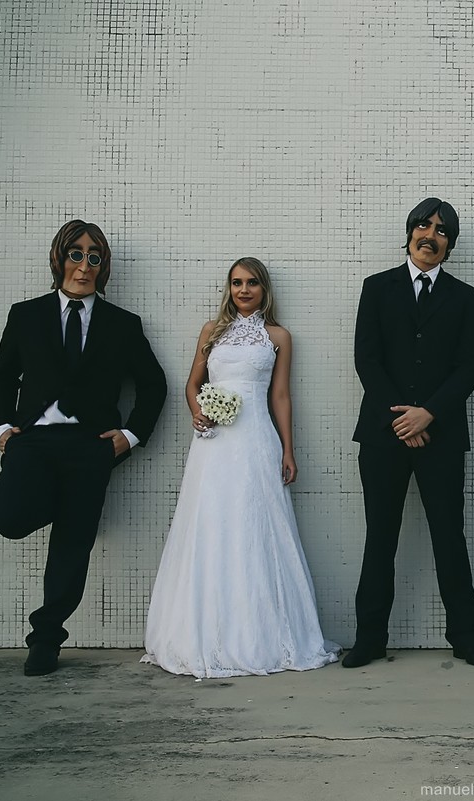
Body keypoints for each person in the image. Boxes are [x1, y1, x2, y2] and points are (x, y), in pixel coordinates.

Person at [141, 258, 339, 677]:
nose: (244, 290)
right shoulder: (211, 331)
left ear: (264, 289)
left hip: (256, 441)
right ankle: (202, 631)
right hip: (213, 444)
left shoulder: (278, 336)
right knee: (210, 523)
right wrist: (198, 412)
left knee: (255, 525)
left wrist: (288, 450)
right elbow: (192, 384)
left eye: (251, 283)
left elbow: (280, 396)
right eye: (236, 283)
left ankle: (262, 634)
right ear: (228, 288)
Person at [0, 219, 168, 676]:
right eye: (76, 254)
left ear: (103, 266)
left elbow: (152, 384)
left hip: (91, 447)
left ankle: (45, 641)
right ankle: (61, 500)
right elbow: (1, 377)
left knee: (72, 546)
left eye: (94, 257)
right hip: (33, 442)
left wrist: (129, 436)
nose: (84, 266)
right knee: (8, 519)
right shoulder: (25, 315)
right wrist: (3, 429)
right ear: (59, 258)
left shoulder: (123, 324)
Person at [343, 197, 474, 669]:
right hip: (383, 436)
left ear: (450, 244)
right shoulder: (377, 288)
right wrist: (401, 420)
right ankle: (369, 638)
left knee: (450, 537)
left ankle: (466, 637)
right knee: (380, 538)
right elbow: (367, 359)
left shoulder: (464, 297)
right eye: (424, 226)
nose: (431, 235)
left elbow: (469, 367)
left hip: (441, 436)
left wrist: (428, 414)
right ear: (410, 232)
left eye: (442, 230)